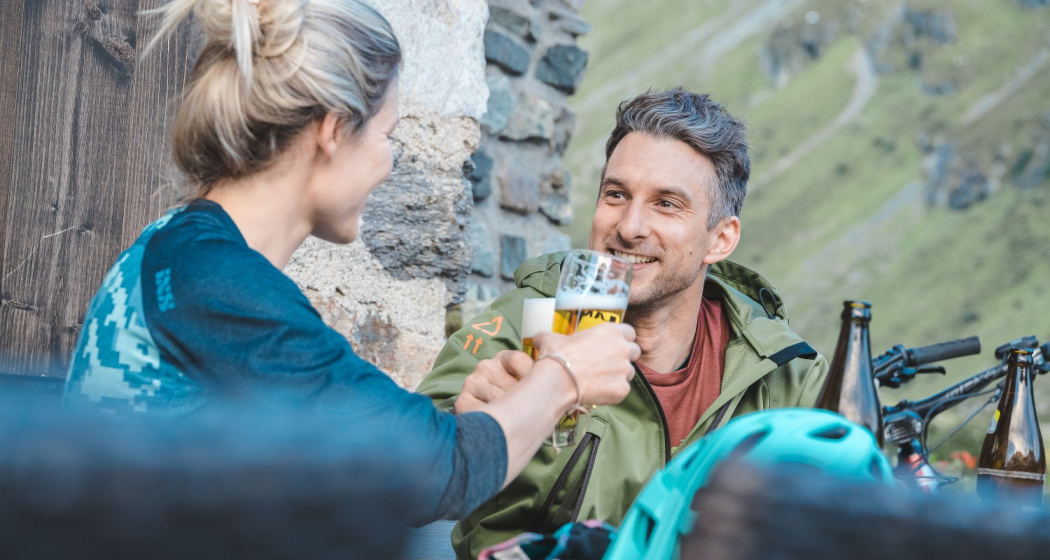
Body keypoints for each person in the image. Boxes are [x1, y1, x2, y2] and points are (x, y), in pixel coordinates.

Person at [61, 0, 640, 524]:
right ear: (334, 131)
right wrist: (564, 377)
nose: (390, 164)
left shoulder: (183, 248)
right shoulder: (217, 284)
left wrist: (477, 421)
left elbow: (360, 453)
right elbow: (431, 475)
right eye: (387, 135)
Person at [417, 88, 830, 557]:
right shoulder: (522, 326)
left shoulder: (785, 376)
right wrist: (465, 430)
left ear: (720, 239)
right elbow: (399, 481)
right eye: (616, 194)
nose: (630, 226)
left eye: (666, 204)